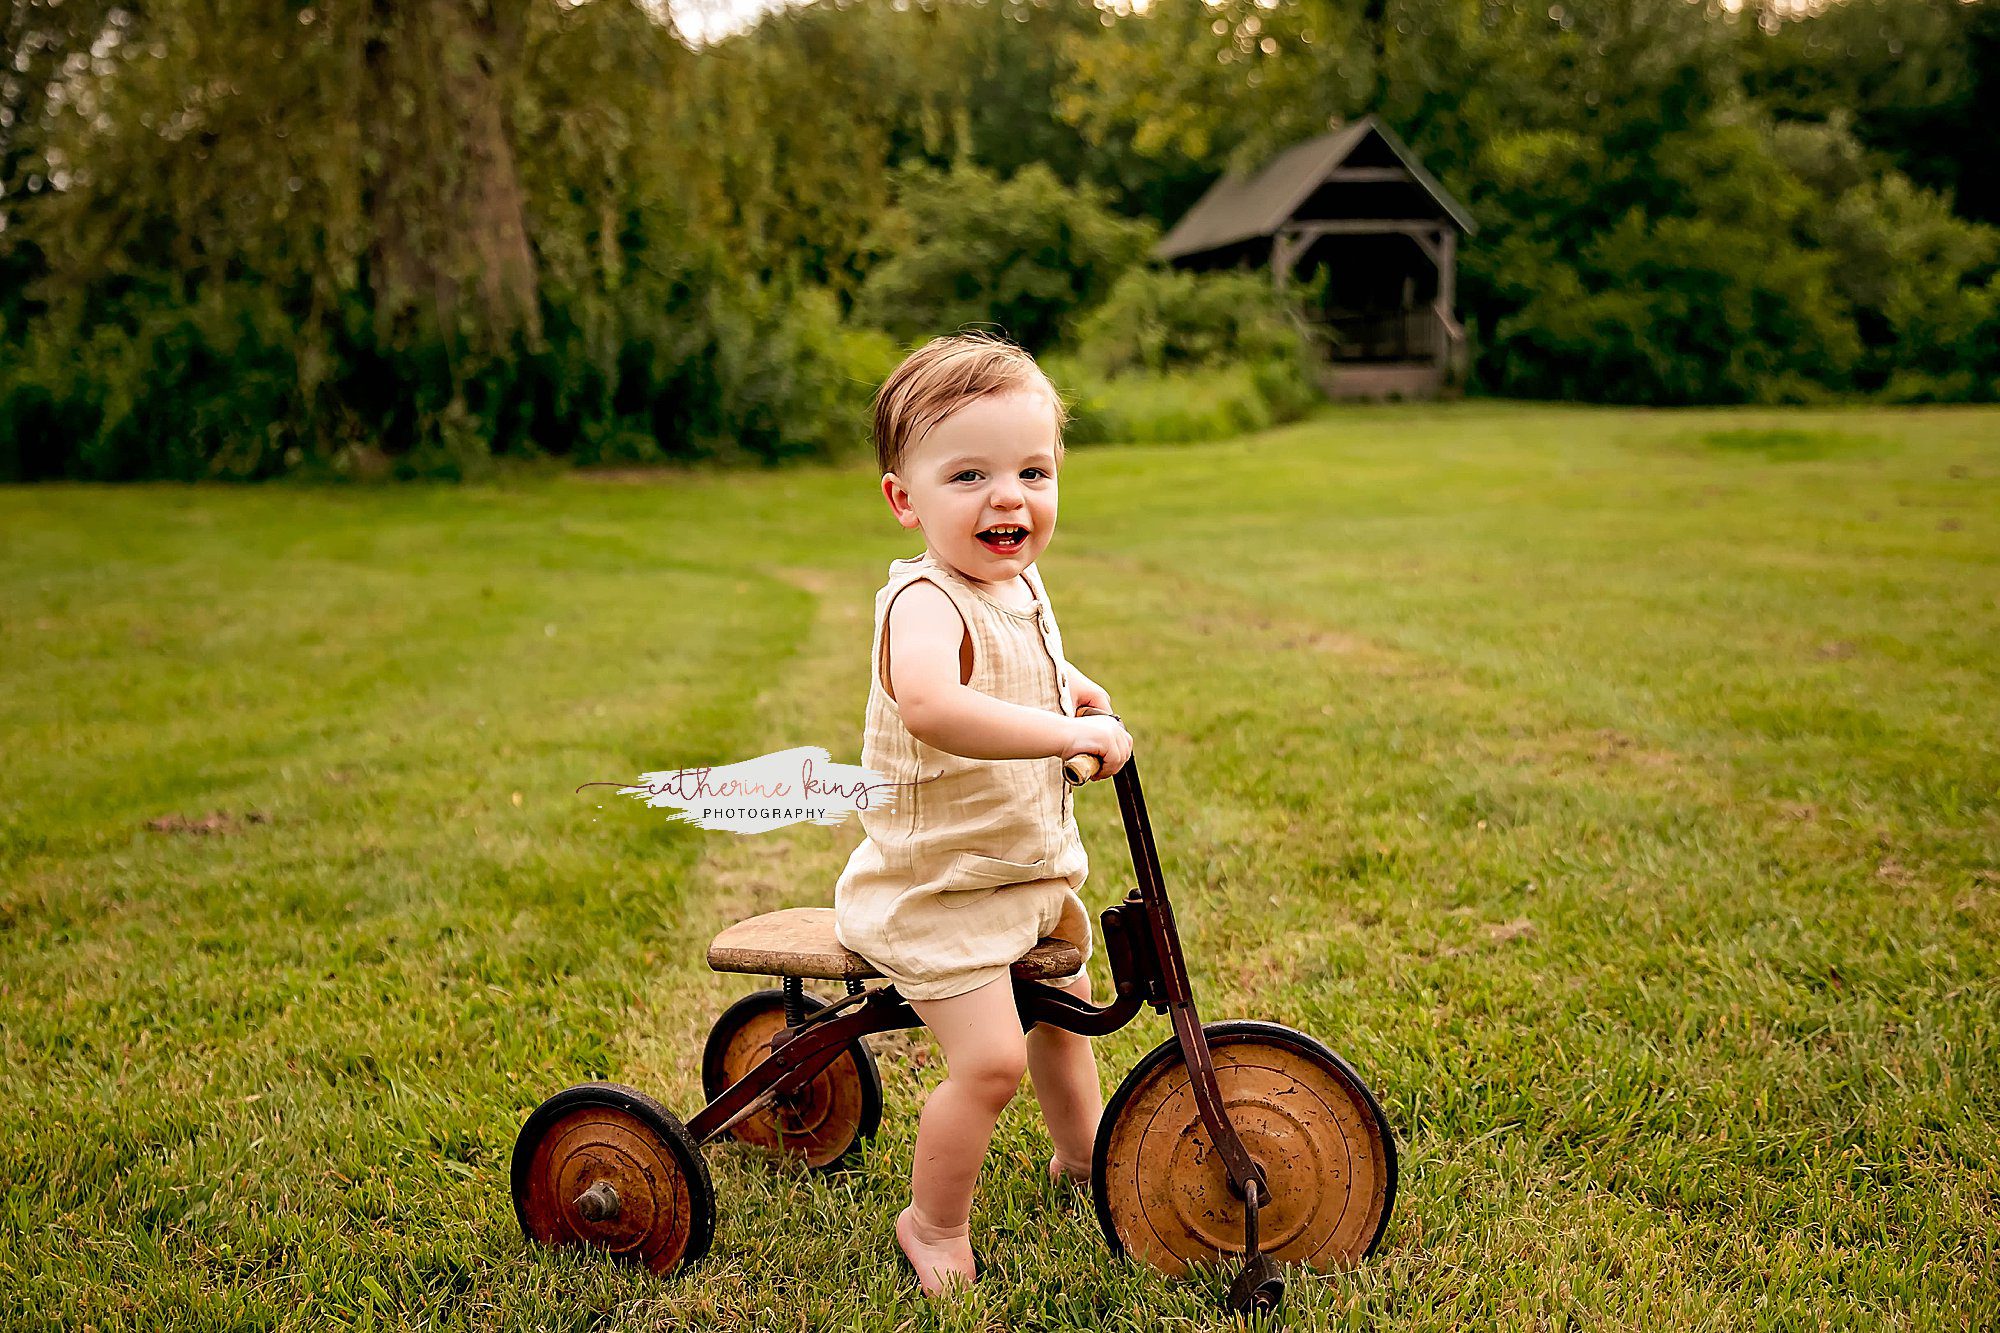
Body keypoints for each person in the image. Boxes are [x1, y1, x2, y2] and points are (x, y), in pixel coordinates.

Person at [832, 331, 1135, 1297]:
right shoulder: (922, 603)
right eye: (969, 474)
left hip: (1022, 876)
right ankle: (931, 1223)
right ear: (904, 499)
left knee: (1066, 1018)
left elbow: (1032, 659)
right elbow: (935, 706)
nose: (1009, 497)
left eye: (1032, 471)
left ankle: (1086, 1157)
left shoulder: (1015, 580)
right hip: (940, 891)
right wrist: (1058, 733)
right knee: (994, 1061)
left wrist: (1074, 689)